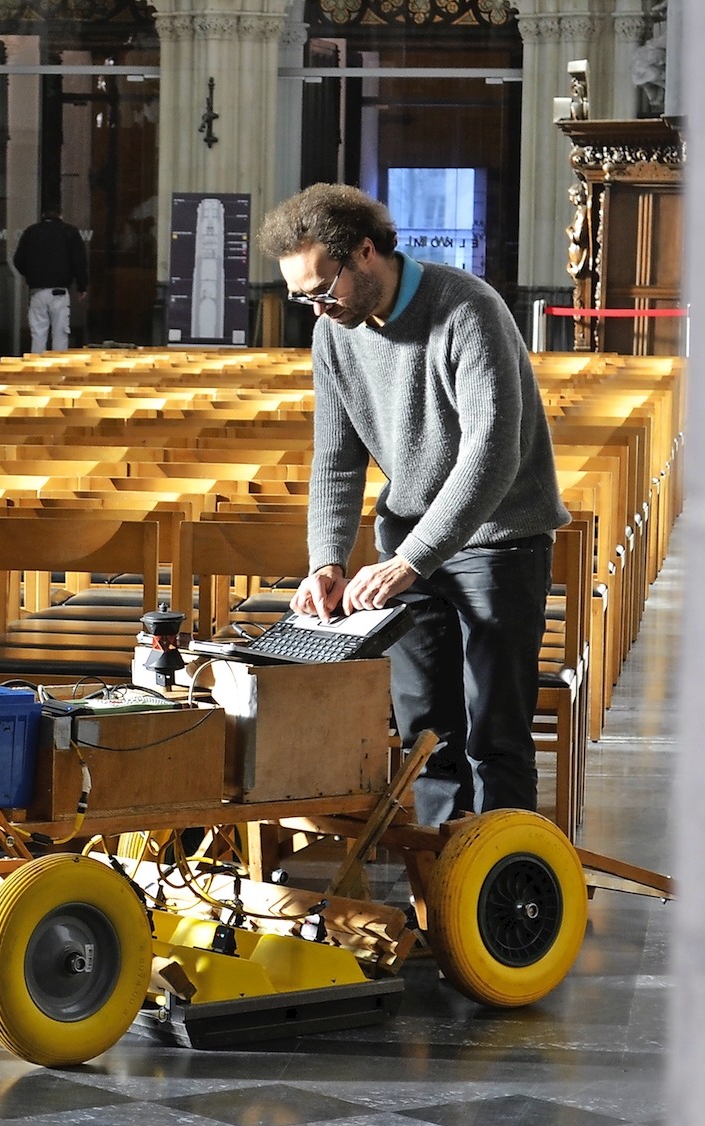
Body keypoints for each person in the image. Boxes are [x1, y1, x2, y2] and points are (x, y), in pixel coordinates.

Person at [259, 184, 570, 826]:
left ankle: (498, 895)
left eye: (323, 289)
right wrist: (326, 562)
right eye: (300, 297)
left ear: (366, 252)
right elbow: (336, 461)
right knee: (425, 738)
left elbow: (491, 455)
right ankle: (438, 890)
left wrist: (413, 559)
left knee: (495, 736)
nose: (316, 309)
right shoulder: (336, 336)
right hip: (406, 545)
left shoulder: (466, 310)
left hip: (497, 541)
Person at [12, 209, 89, 353]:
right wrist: (81, 286)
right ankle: (57, 370)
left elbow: (18, 260)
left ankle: (37, 371)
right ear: (61, 215)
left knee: (38, 335)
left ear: (42, 215)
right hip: (59, 292)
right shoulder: (69, 232)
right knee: (60, 335)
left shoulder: (31, 232)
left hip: (37, 292)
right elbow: (78, 261)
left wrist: (31, 275)